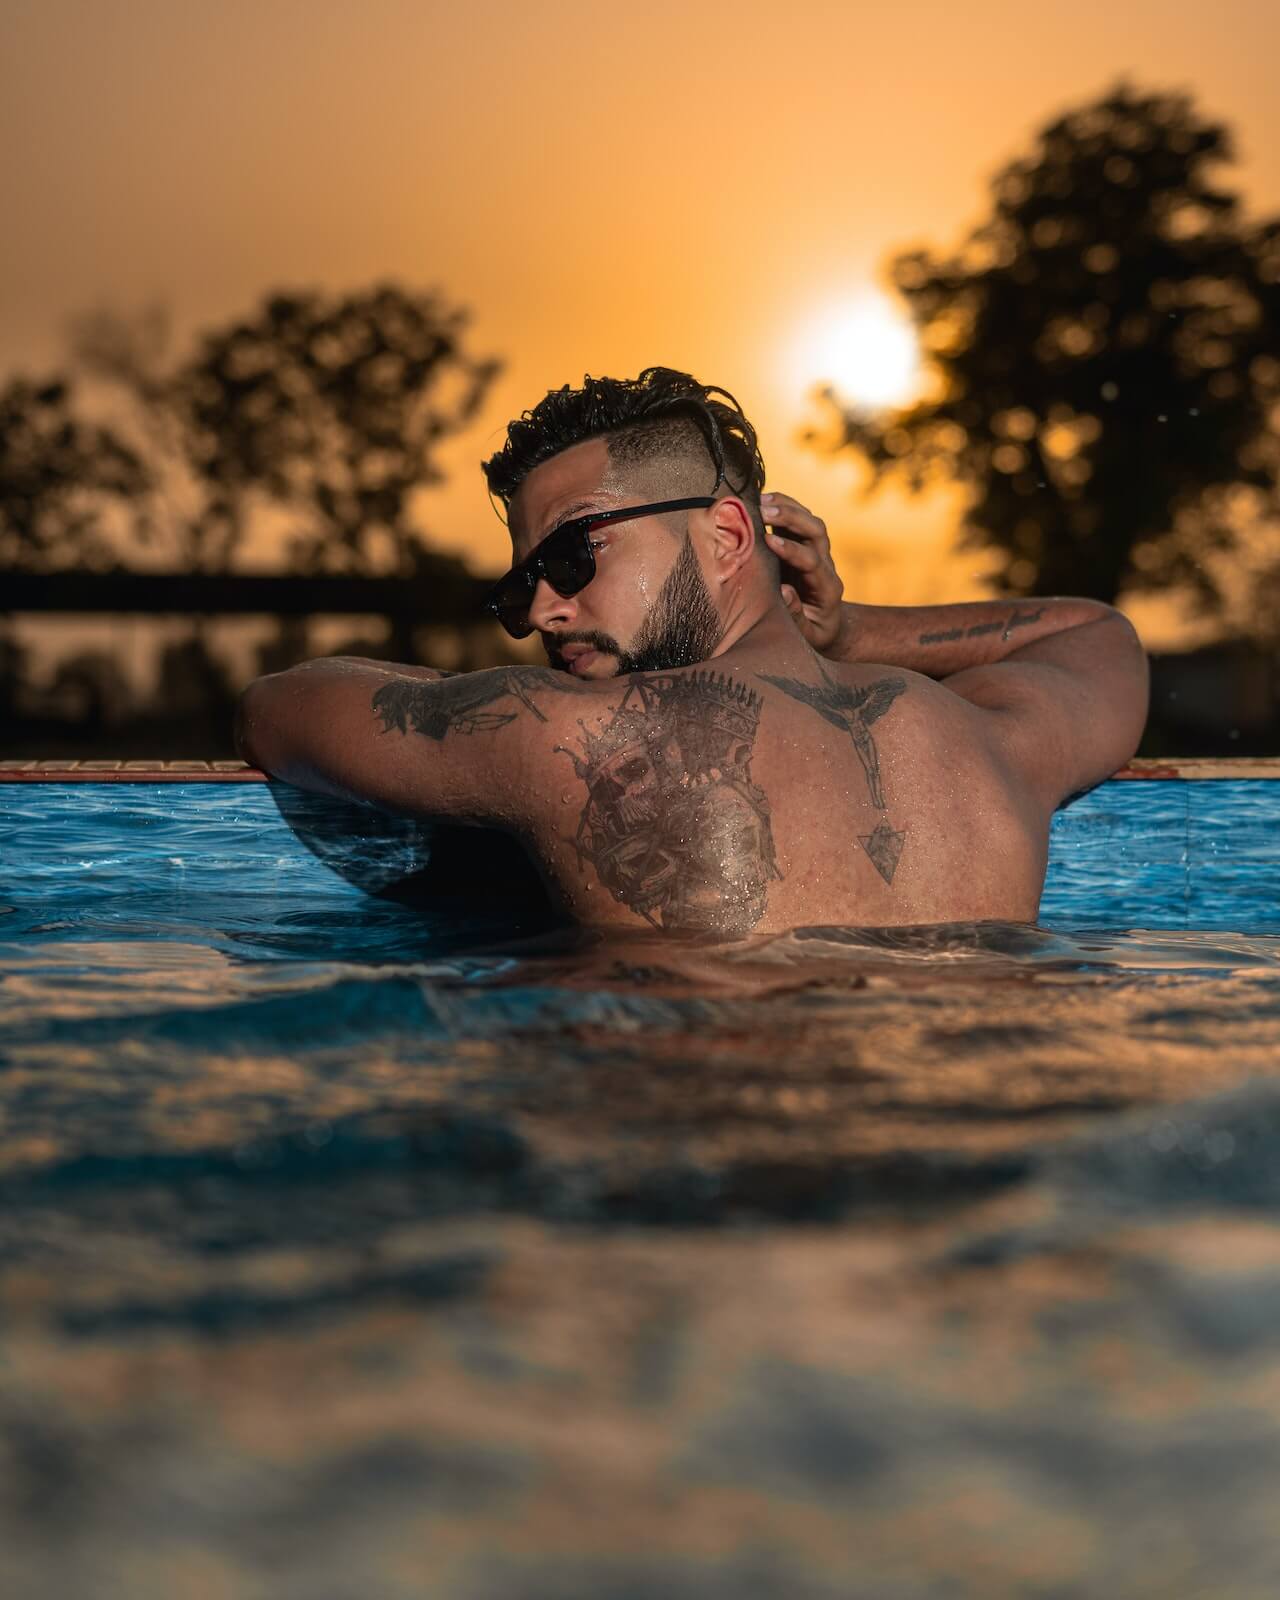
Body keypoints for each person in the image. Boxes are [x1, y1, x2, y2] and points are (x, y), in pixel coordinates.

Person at [236, 367, 1148, 935]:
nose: (541, 612)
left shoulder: (570, 742)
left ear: (725, 536)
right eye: (520, 590)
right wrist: (851, 629)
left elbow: (276, 709)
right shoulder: (987, 748)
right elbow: (1095, 635)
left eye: (571, 553)